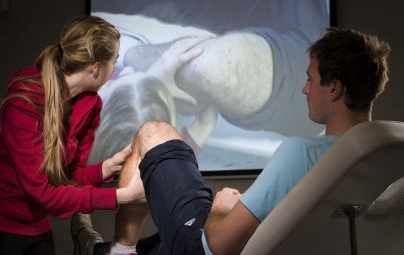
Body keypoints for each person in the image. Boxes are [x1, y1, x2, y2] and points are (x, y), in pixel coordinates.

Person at [74, 27, 390, 255]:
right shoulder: (382, 164)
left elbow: (219, 244)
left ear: (333, 89)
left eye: (310, 79)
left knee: (153, 132)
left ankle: (119, 250)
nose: (305, 89)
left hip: (203, 247)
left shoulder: (302, 154)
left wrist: (222, 208)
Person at [0, 16, 143, 255]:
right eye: (114, 61)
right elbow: (44, 193)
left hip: (38, 225)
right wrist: (120, 196)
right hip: (6, 228)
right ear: (96, 67)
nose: (115, 69)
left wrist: (104, 169)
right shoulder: (23, 106)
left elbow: (69, 177)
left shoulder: (90, 105)